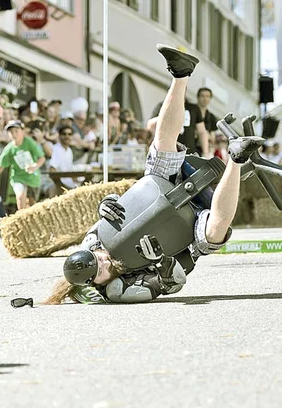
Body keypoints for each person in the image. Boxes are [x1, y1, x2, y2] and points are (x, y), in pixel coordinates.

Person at [46, 44, 264, 305]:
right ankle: (237, 158)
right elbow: (175, 284)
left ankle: (181, 73)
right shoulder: (121, 288)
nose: (104, 259)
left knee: (161, 147)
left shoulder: (92, 243)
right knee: (215, 232)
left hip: (159, 191)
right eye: (101, 268)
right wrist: (160, 263)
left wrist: (107, 204)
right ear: (96, 285)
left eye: (98, 258)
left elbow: (119, 206)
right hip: (187, 235)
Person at [0, 120, 46, 210]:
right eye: (11, 132)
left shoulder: (29, 142)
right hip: (18, 177)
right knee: (20, 196)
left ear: (23, 132)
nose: (14, 134)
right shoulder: (9, 149)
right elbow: (1, 164)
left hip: (33, 178)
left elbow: (42, 158)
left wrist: (35, 166)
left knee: (32, 203)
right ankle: (22, 218)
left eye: (16, 131)